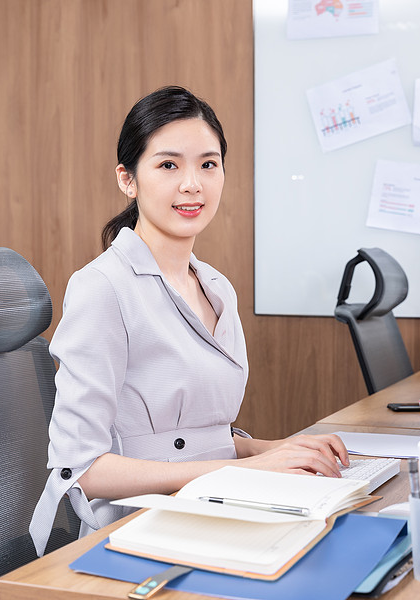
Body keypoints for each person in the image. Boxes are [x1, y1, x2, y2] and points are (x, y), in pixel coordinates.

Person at [30, 86, 349, 555]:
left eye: (208, 164)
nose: (192, 184)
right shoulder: (103, 287)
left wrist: (272, 450)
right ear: (127, 179)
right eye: (168, 165)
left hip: (213, 509)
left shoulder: (217, 287)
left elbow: (198, 436)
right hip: (139, 529)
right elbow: (83, 469)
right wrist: (245, 470)